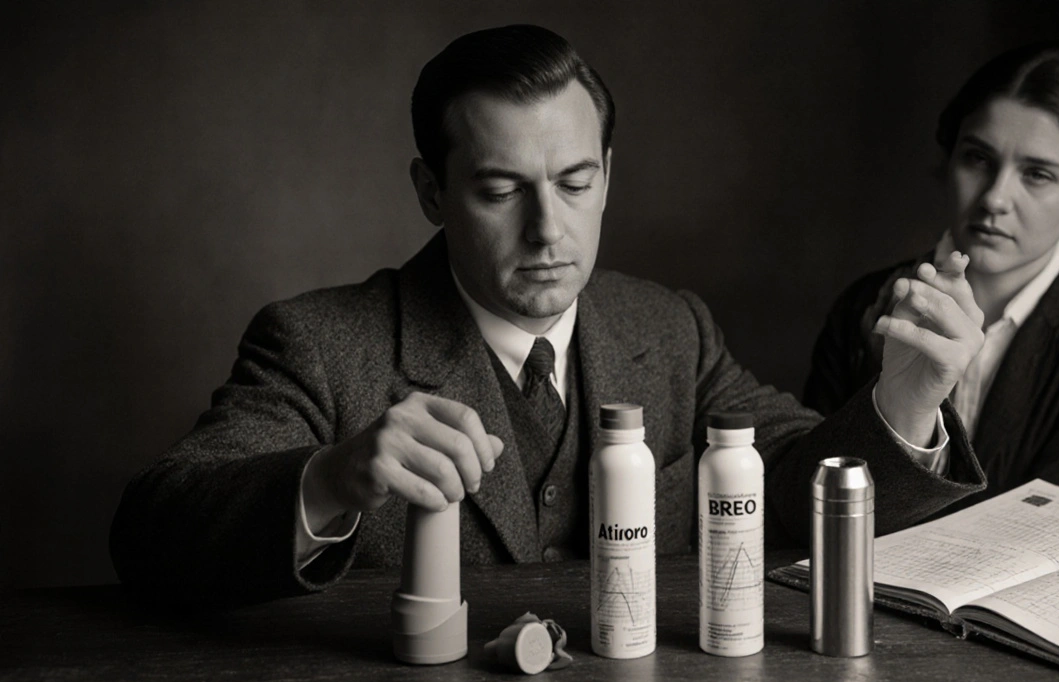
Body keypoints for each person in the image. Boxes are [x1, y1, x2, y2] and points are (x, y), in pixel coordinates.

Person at [110, 25, 986, 607]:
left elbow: (796, 488)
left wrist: (905, 405)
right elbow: (152, 533)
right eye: (499, 190)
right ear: (431, 192)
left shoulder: (671, 327)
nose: (548, 230)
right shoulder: (317, 342)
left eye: (574, 185)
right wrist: (333, 479)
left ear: (607, 174)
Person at [805, 45, 1059, 515]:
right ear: (950, 156)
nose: (996, 197)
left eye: (1037, 174)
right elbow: (810, 499)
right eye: (978, 158)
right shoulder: (867, 306)